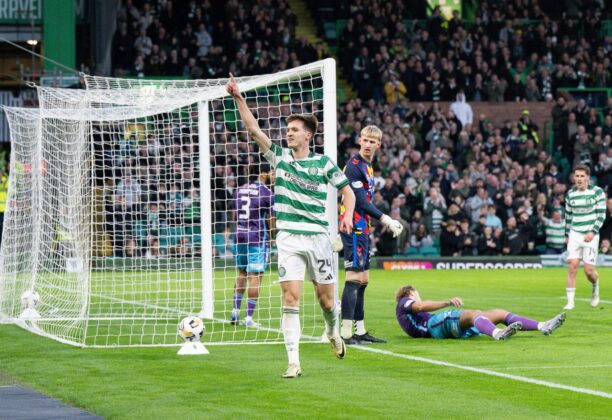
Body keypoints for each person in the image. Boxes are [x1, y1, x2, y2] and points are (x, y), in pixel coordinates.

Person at [226, 74, 356, 379]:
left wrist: (347, 215)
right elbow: (253, 130)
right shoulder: (280, 158)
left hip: (318, 238)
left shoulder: (324, 163)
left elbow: (347, 191)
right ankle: (293, 361)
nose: (289, 133)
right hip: (288, 239)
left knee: (326, 301)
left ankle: (332, 331)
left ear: (308, 135)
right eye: (287, 130)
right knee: (290, 298)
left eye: (294, 130)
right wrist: (238, 97)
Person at [337, 125, 403, 345]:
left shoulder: (368, 166)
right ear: (359, 140)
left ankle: (360, 330)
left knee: (363, 280)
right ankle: (346, 333)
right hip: (353, 227)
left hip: (363, 227)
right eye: (365, 140)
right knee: (353, 278)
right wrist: (386, 219)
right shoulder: (353, 166)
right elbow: (360, 201)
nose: (367, 144)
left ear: (378, 145)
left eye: (372, 142)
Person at [395, 285, 566, 341]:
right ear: (410, 292)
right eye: (417, 293)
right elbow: (420, 307)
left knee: (499, 313)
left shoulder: (405, 307)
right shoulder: (404, 302)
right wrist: (447, 302)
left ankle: (542, 326)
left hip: (439, 328)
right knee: (473, 314)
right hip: (432, 327)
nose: (419, 296)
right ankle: (498, 333)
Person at [231, 163, 275, 327]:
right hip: (256, 237)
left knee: (242, 272)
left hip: (239, 235)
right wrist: (273, 236)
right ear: (262, 174)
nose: (274, 176)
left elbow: (234, 214)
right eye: (271, 172)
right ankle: (248, 318)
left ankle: (235, 312)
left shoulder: (239, 189)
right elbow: (271, 218)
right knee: (255, 275)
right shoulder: (267, 192)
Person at [564, 164, 607, 309]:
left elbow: (601, 215)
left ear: (588, 178)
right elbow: (568, 216)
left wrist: (592, 232)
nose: (579, 179)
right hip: (575, 233)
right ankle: (570, 302)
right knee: (572, 266)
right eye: (577, 176)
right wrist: (567, 234)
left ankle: (595, 285)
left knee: (588, 271)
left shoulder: (597, 192)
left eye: (582, 176)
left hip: (591, 234)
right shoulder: (570, 194)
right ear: (573, 177)